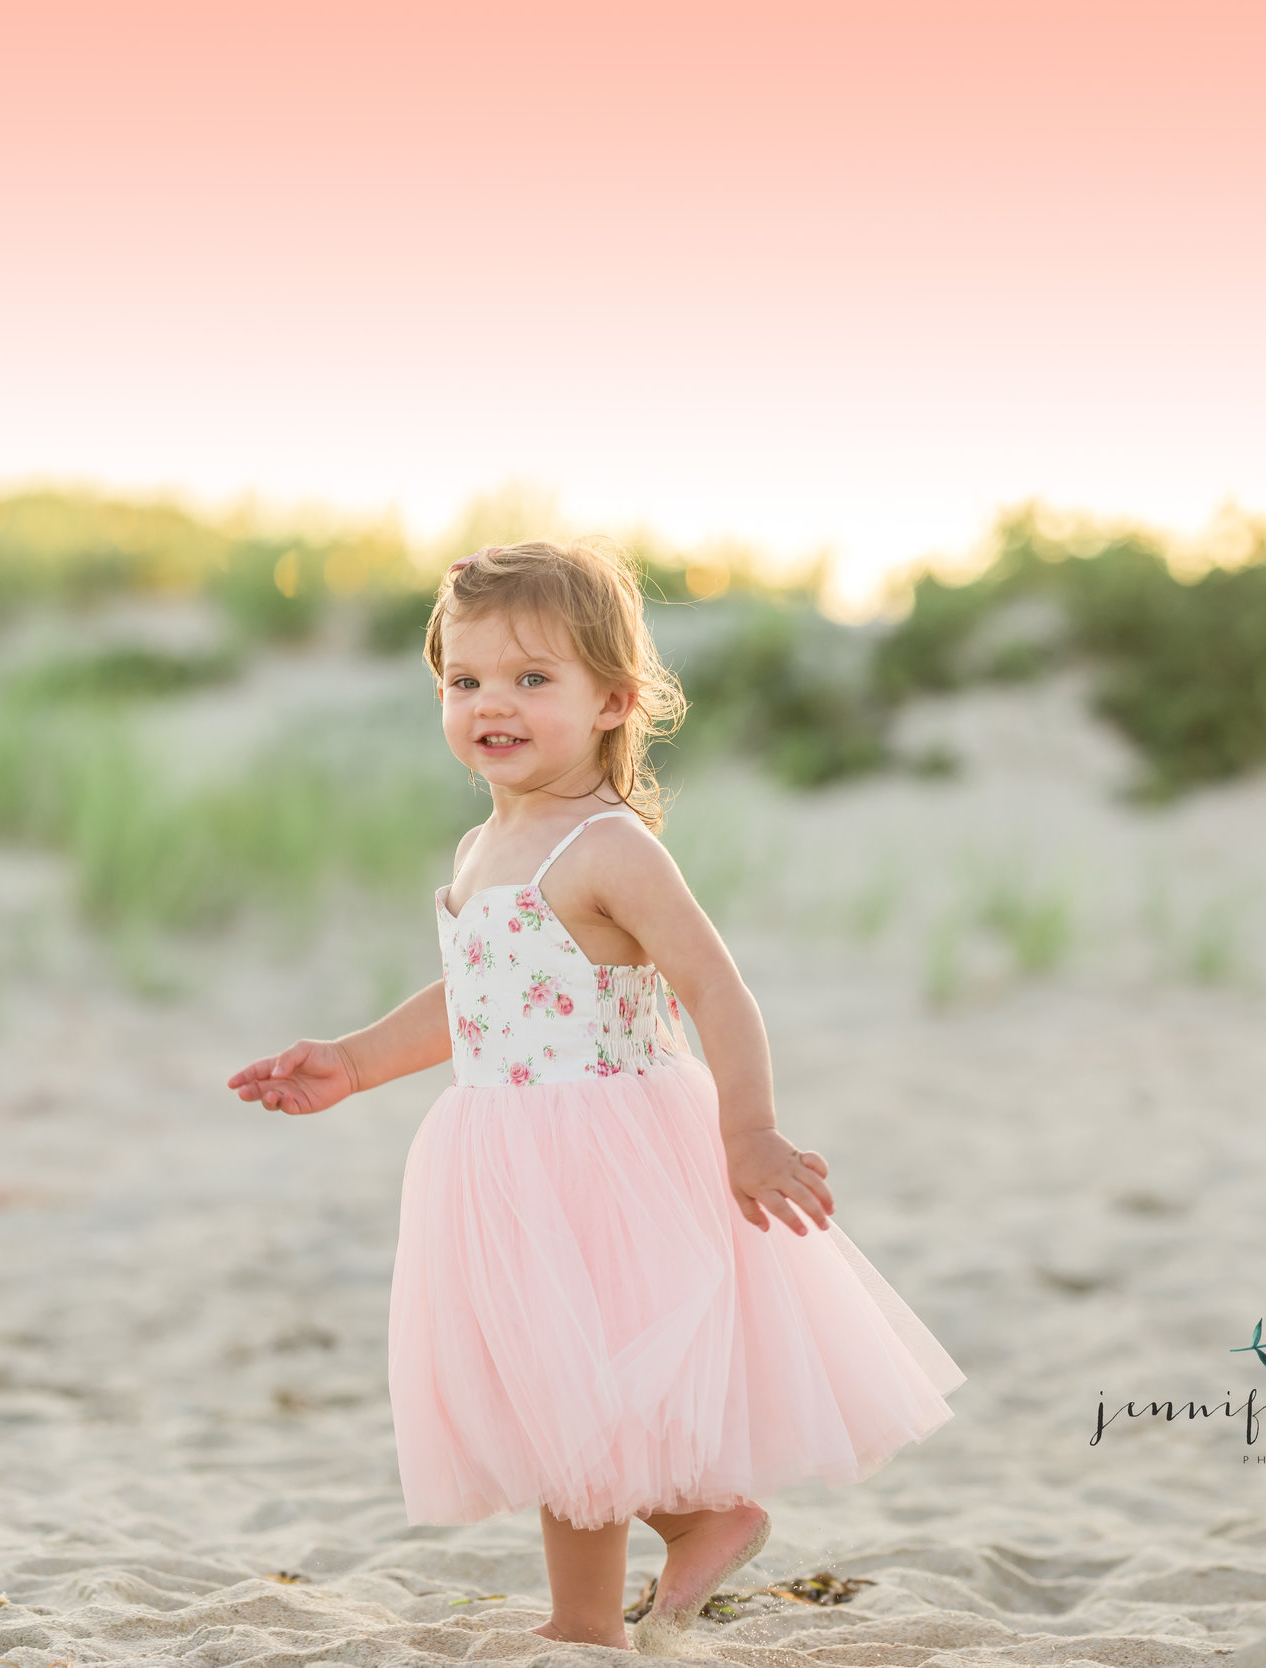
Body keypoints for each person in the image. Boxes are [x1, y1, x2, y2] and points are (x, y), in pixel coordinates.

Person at [227, 539, 963, 1654]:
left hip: (603, 1148)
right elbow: (479, 991)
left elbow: (713, 986)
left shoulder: (608, 844)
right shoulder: (484, 844)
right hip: (498, 1153)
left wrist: (750, 1130)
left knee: (585, 1395)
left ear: (613, 700)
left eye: (533, 679)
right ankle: (699, 1523)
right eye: (465, 681)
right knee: (549, 1396)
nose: (492, 705)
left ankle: (585, 1624)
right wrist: (356, 1059)